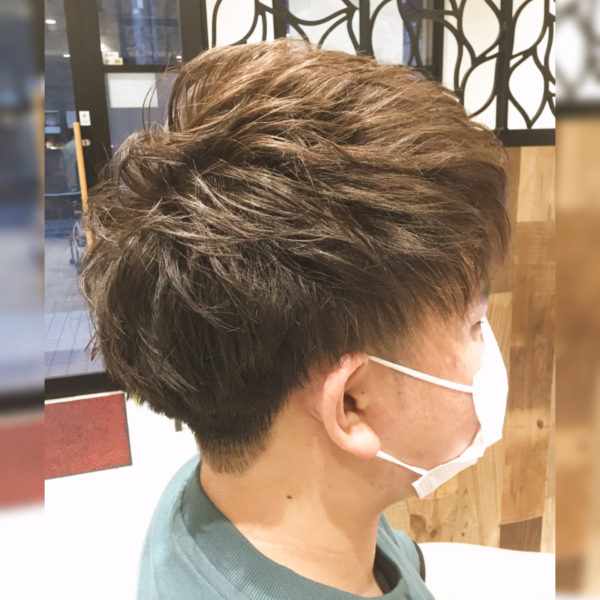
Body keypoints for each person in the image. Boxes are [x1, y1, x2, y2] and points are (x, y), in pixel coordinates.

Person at [79, 37, 513, 599]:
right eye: (473, 324)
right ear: (352, 403)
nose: (487, 348)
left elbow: (409, 564)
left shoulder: (228, 491)